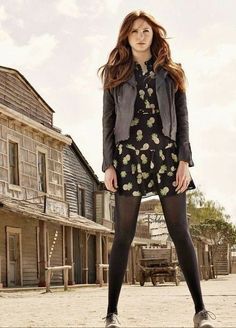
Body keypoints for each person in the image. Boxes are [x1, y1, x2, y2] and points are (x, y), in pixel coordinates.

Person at [98, 10, 216, 328]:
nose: (140, 35)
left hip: (166, 157)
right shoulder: (114, 74)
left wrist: (183, 162)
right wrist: (109, 164)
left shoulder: (171, 73)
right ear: (126, 35)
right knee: (122, 235)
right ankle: (111, 314)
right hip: (128, 158)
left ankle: (201, 311)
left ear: (154, 34)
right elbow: (107, 122)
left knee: (180, 231)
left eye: (146, 30)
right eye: (134, 30)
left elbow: (183, 119)